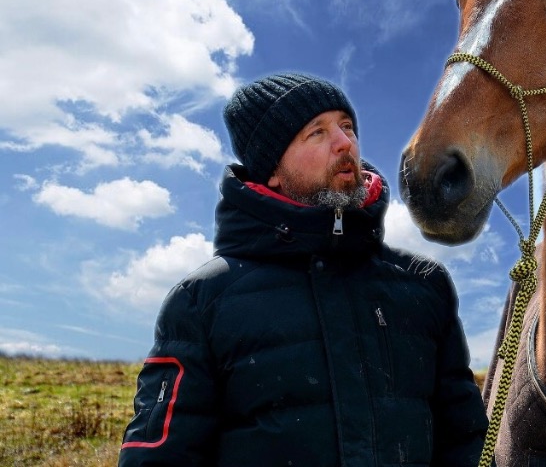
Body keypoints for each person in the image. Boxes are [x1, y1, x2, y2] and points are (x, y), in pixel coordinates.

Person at [118, 73, 488, 466]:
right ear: (272, 170)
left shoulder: (423, 287)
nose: (345, 143)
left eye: (347, 127)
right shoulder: (201, 303)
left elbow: (467, 443)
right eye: (317, 133)